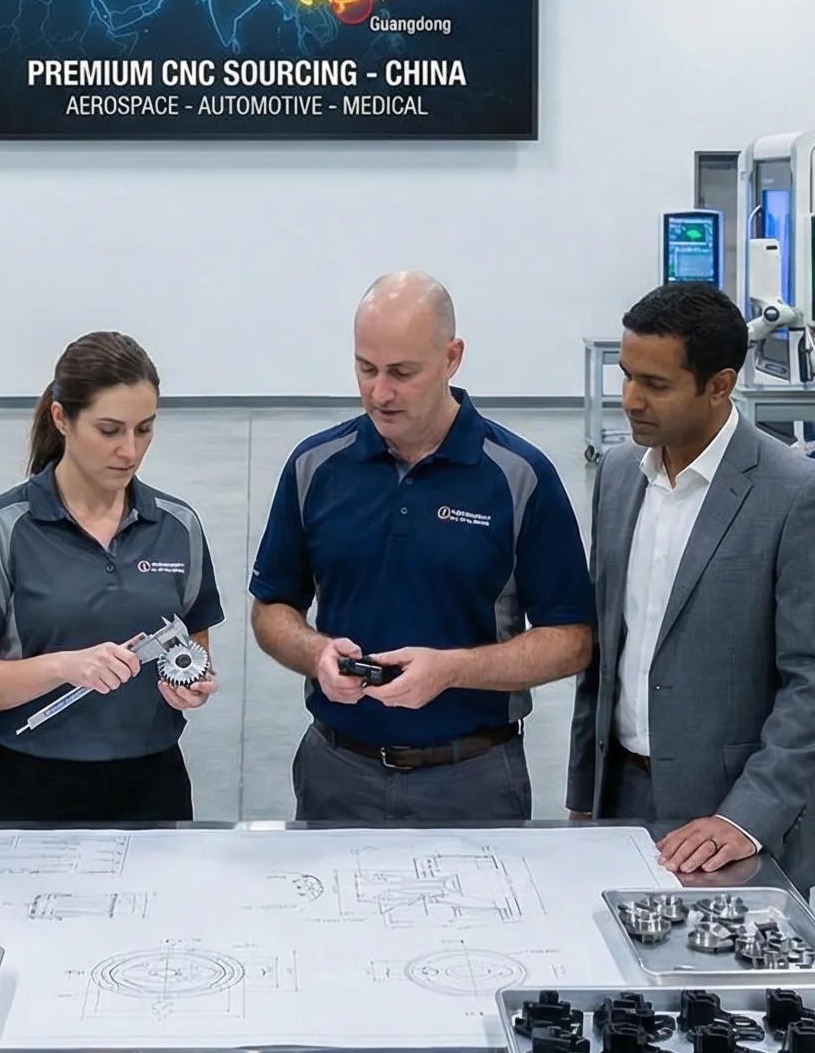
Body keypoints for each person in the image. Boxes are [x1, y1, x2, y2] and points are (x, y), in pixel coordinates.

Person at [250, 272, 595, 821]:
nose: (379, 393)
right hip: (336, 773)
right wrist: (315, 655)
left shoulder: (519, 476)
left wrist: (452, 670)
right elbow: (271, 609)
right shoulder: (315, 467)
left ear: (452, 357)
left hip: (474, 780)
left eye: (402, 373)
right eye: (366, 369)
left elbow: (572, 640)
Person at [567, 282, 815, 888]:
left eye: (656, 384)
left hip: (733, 822)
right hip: (619, 798)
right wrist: (584, 794)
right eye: (626, 376)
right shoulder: (620, 475)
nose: (630, 400)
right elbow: (604, 655)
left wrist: (745, 818)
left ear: (720, 385)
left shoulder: (797, 495)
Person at [0, 333, 223, 822]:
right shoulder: (2, 527)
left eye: (144, 429)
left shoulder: (179, 527)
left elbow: (194, 650)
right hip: (30, 785)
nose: (129, 450)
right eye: (109, 430)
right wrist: (64, 667)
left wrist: (191, 685)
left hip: (154, 782)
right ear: (61, 418)